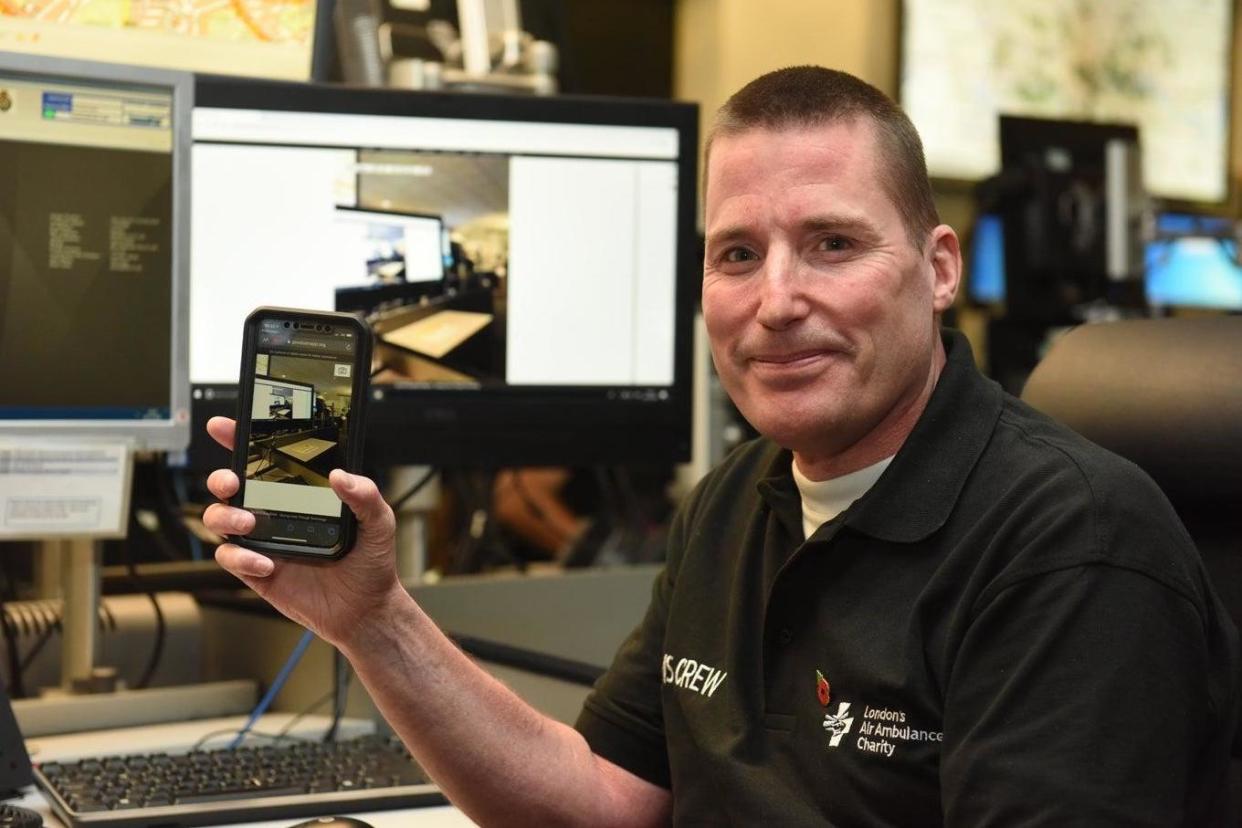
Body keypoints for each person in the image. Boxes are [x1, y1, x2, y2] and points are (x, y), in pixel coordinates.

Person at [203, 66, 1239, 825]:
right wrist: (374, 622)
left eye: (832, 243)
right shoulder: (736, 499)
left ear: (937, 268)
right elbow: (606, 804)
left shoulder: (1073, 544)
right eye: (736, 254)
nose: (777, 302)